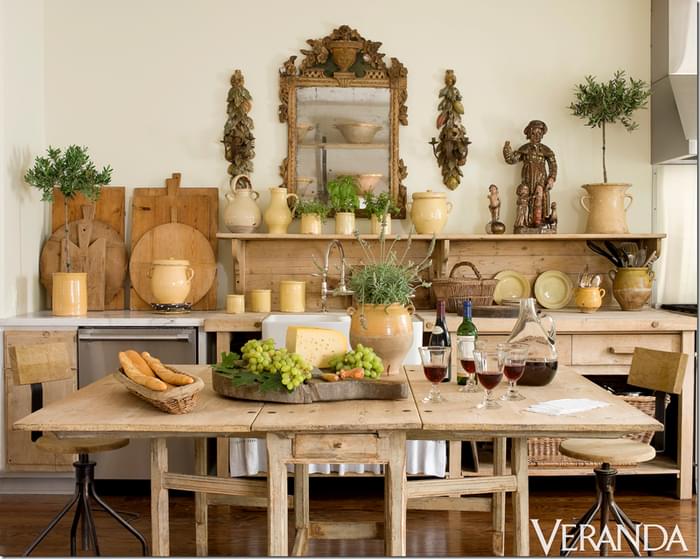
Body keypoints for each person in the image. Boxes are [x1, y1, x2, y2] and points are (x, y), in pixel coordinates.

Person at [503, 120, 557, 230]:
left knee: (540, 200)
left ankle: (539, 222)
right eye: (533, 133)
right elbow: (512, 160)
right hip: (527, 179)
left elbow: (553, 165)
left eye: (539, 133)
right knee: (525, 199)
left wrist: (552, 178)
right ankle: (524, 223)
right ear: (529, 134)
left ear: (542, 134)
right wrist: (507, 150)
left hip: (541, 180)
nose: (536, 136)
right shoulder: (525, 149)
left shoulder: (546, 150)